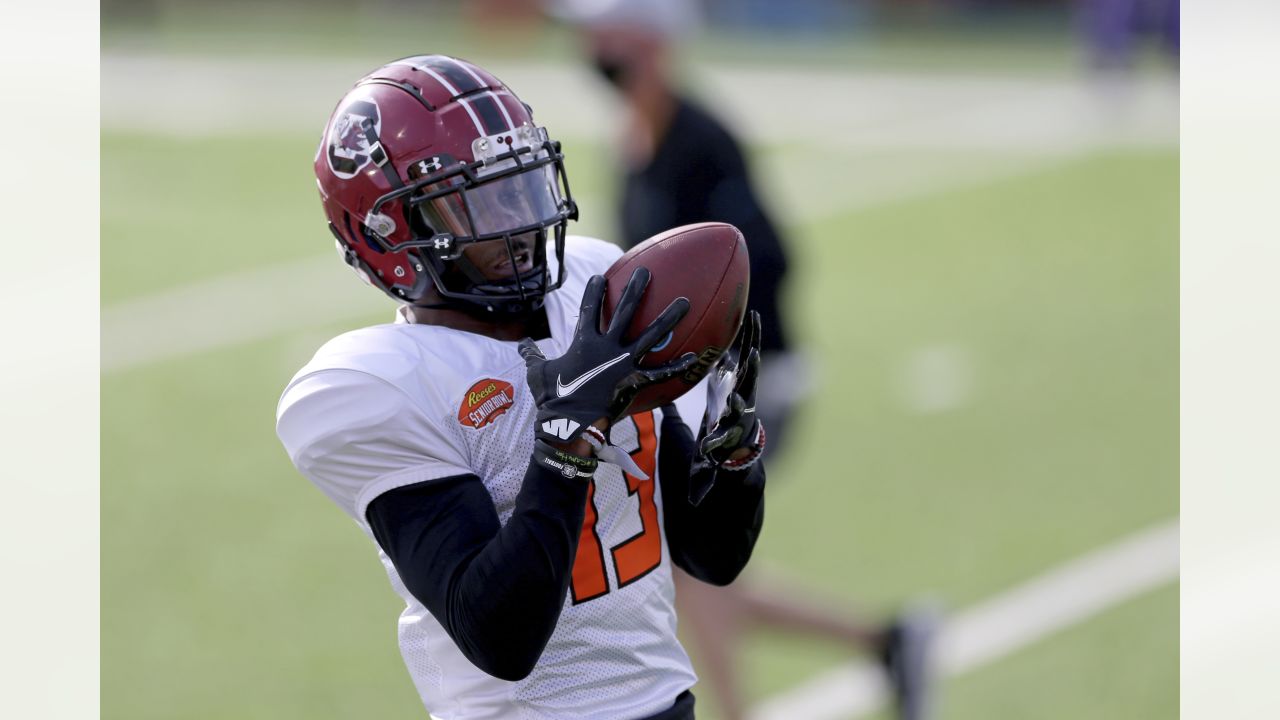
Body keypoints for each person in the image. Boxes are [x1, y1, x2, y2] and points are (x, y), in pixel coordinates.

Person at [275, 54, 770, 720]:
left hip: (664, 705)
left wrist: (734, 462)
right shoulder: (375, 387)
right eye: (475, 203)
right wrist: (565, 438)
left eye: (519, 186)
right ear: (393, 236)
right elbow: (500, 636)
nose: (517, 223)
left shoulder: (594, 287)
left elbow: (711, 556)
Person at [557, 2, 938, 718]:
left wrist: (708, 355)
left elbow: (766, 258)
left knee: (686, 562)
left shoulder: (702, 138)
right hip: (679, 392)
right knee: (683, 565)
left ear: (653, 40)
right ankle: (885, 641)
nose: (593, 46)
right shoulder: (631, 135)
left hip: (746, 386)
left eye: (609, 32)